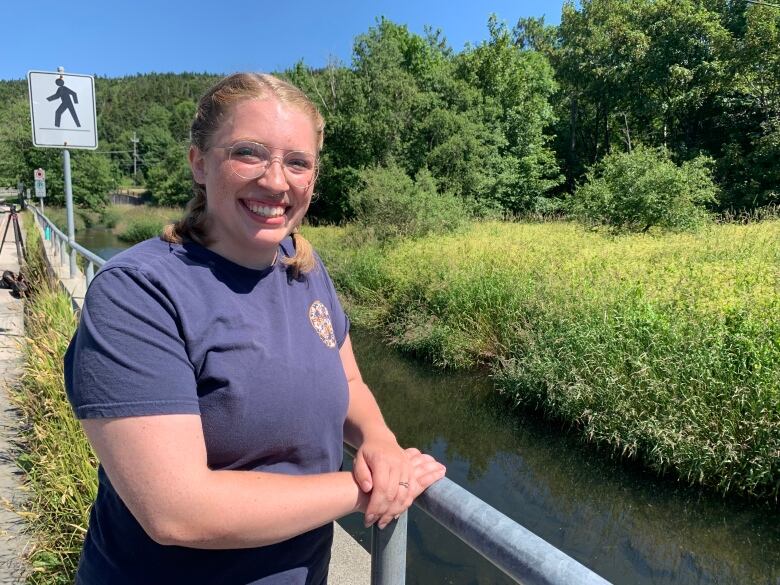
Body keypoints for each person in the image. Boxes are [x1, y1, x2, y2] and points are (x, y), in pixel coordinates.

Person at [64, 72, 446, 584]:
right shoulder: (137, 292)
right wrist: (368, 489)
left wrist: (379, 440)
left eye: (297, 162)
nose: (275, 180)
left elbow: (349, 382)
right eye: (248, 153)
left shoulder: (304, 269)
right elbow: (177, 510)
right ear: (199, 163)